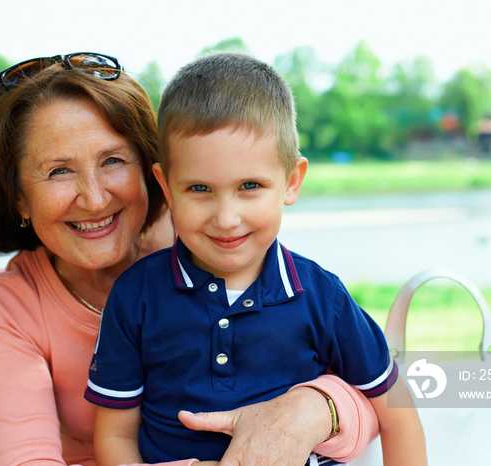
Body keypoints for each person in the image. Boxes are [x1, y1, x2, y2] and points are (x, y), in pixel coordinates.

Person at [0, 52, 382, 466]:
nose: (93, 198)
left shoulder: (220, 243)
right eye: (59, 171)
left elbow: (386, 390)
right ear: (18, 196)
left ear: (151, 169)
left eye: (112, 160)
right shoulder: (11, 307)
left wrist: (311, 410)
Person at [85, 52, 427, 466]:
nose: (226, 219)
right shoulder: (135, 298)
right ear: (166, 186)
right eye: (199, 189)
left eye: (250, 185)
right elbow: (115, 435)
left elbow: (397, 412)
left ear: (291, 182)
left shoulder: (323, 297)